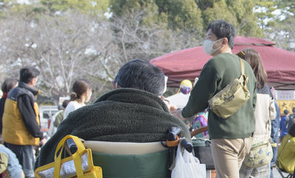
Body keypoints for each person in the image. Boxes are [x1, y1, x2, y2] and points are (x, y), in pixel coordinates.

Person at [182, 20, 260, 178]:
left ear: (222, 41)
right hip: (245, 135)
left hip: (225, 135)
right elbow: (253, 101)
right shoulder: (245, 65)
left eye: (209, 36)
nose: (206, 40)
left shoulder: (215, 63)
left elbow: (197, 99)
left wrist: (183, 116)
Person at [37, 59, 190, 167]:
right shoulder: (175, 128)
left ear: (115, 85)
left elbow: (44, 162)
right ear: (159, 93)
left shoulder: (81, 118)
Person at [235, 48, 273, 178]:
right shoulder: (266, 88)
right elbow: (273, 116)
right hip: (264, 143)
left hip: (247, 140)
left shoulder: (243, 86)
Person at [2, 66, 43, 178]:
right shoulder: (24, 94)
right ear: (33, 80)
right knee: (25, 171)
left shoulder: (14, 92)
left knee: (13, 170)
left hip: (11, 137)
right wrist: (39, 135)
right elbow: (29, 119)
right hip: (21, 139)